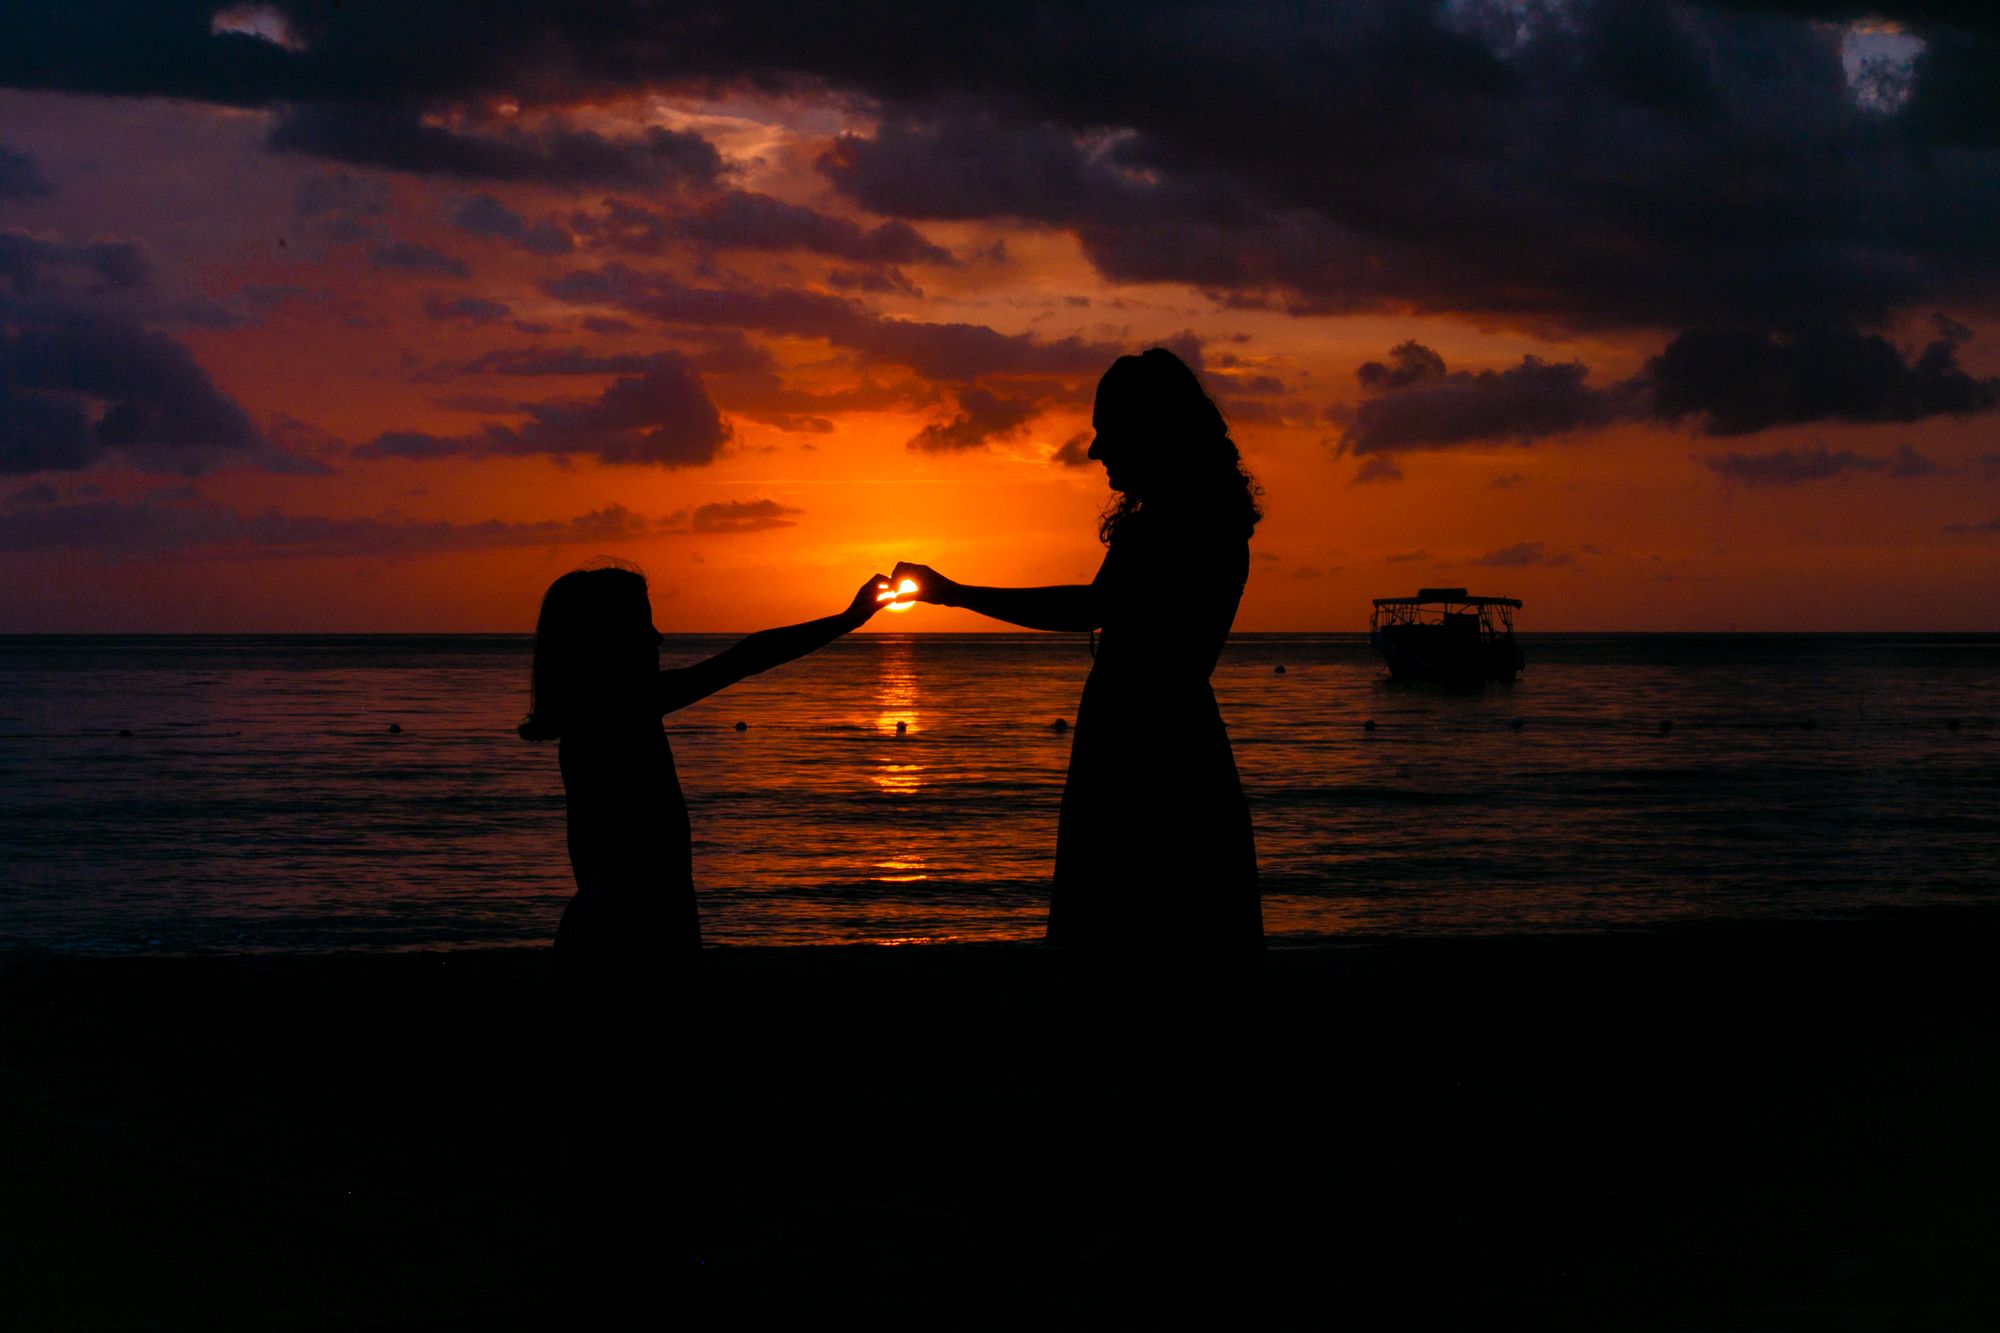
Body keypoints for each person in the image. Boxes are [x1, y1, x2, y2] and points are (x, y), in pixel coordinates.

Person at [892, 346, 1262, 1282]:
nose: (1095, 447)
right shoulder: (1204, 519)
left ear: (1148, 431)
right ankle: (1179, 1218)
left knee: (1146, 1006)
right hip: (1158, 754)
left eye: (1108, 428)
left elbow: (1093, 609)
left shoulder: (1177, 528)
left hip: (1147, 767)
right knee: (1155, 1005)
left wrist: (956, 592)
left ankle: (1168, 1226)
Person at [518, 562, 893, 1314]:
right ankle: (611, 1261)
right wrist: (845, 621)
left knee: (615, 1092)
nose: (658, 635)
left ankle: (609, 1254)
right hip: (633, 923)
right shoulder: (618, 709)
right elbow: (747, 657)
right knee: (632, 1090)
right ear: (609, 643)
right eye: (643, 624)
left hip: (616, 917)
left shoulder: (600, 712)